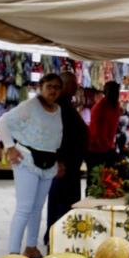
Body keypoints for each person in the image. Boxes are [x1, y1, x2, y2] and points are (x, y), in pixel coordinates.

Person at [0, 73, 63, 258]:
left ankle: (31, 247)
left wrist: (58, 160)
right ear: (41, 87)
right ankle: (13, 254)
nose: (53, 90)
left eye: (57, 87)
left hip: (49, 163)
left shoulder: (57, 109)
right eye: (49, 86)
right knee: (24, 208)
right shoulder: (30, 105)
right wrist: (10, 148)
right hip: (27, 159)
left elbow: (53, 137)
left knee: (37, 208)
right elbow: (2, 122)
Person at [43, 72, 88, 246]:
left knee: (64, 201)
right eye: (74, 84)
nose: (76, 87)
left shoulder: (65, 105)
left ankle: (59, 235)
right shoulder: (58, 107)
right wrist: (58, 161)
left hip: (71, 165)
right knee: (60, 202)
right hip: (63, 165)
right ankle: (56, 237)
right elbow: (55, 136)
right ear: (65, 85)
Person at [85, 81, 122, 193]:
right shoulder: (99, 108)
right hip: (95, 150)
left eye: (116, 92)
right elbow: (96, 134)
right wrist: (108, 148)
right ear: (105, 92)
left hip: (107, 148)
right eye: (111, 91)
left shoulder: (116, 106)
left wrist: (111, 146)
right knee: (94, 180)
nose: (114, 94)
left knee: (107, 180)